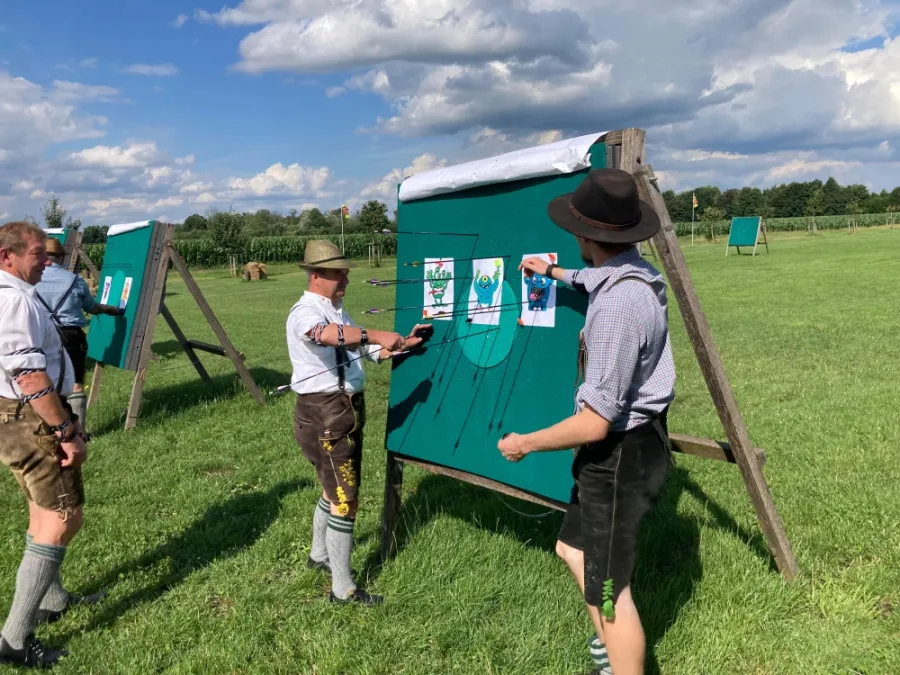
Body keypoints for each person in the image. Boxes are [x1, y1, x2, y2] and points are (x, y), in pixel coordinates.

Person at [497, 169, 676, 675]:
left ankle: (618, 660)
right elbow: (590, 276)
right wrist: (549, 272)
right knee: (570, 548)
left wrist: (524, 444)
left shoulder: (619, 305)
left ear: (584, 236)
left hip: (621, 453)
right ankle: (609, 655)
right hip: (620, 451)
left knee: (610, 591)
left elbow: (595, 423)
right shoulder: (627, 273)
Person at [287, 240, 431, 605]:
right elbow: (322, 336)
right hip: (327, 414)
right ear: (316, 276)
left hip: (336, 412)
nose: (346, 280)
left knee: (330, 488)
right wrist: (376, 333)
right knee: (345, 500)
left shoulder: (336, 310)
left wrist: (403, 344)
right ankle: (343, 588)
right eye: (339, 274)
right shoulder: (305, 312)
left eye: (347, 273)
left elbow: (366, 350)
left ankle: (319, 554)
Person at [0, 222, 103, 669]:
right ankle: (15, 638)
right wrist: (65, 430)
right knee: (63, 517)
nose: (48, 261)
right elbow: (29, 376)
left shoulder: (11, 293)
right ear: (8, 256)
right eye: (39, 254)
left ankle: (54, 598)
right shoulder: (16, 299)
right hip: (31, 419)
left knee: (42, 512)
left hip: (14, 416)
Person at [32, 237, 123, 429]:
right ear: (62, 258)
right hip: (70, 336)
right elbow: (92, 307)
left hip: (40, 336)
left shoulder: (31, 280)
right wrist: (112, 310)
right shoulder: (75, 280)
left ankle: (47, 429)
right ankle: (78, 431)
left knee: (41, 384)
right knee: (76, 385)